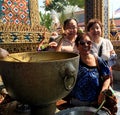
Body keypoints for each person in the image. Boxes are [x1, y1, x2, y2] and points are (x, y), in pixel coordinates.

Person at [57, 33, 117, 115]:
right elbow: (58, 60)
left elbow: (107, 77)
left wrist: (103, 91)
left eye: (89, 43)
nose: (86, 45)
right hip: (76, 104)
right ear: (77, 46)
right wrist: (61, 39)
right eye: (82, 43)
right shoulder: (74, 61)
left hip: (96, 104)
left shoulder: (97, 60)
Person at [86, 18, 117, 86]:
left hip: (106, 75)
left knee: (106, 94)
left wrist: (108, 67)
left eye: (97, 28)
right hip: (92, 76)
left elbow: (113, 57)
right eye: (92, 28)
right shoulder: (87, 44)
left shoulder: (107, 42)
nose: (95, 30)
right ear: (89, 31)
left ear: (101, 30)